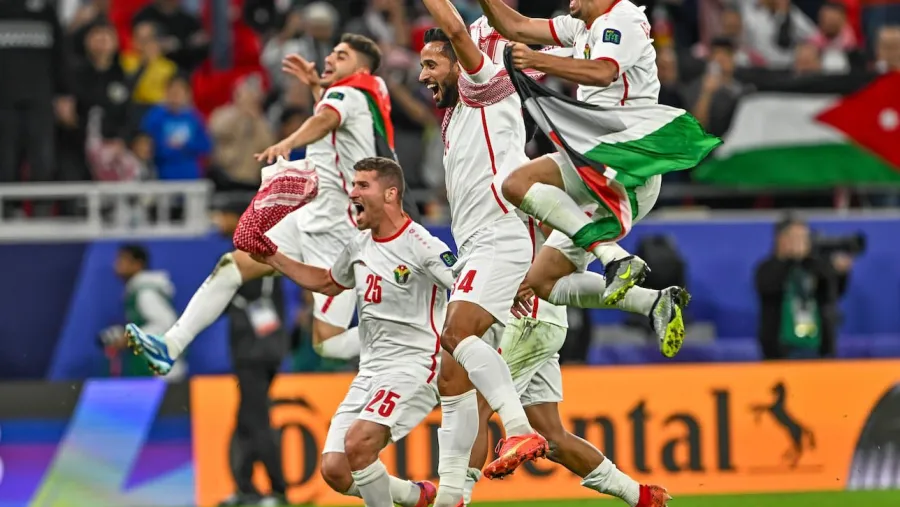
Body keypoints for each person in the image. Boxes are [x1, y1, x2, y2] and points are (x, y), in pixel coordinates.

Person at [452, 16, 674, 507]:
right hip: (541, 302)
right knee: (551, 433)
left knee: (471, 401)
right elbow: (514, 22)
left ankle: (455, 499)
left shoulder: (496, 143)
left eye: (435, 67)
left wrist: (520, 58)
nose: (430, 78)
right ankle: (642, 497)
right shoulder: (474, 148)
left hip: (528, 310)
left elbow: (595, 70)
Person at [126, 34, 393, 373]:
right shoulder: (352, 98)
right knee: (232, 266)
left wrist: (289, 141)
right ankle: (170, 344)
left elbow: (325, 120)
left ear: (362, 68)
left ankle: (410, 333)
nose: (330, 59)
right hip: (310, 217)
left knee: (329, 342)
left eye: (341, 56)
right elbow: (331, 123)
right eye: (333, 52)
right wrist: (316, 89)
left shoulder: (352, 93)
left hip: (337, 232)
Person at [254, 157, 443, 507]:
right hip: (369, 372)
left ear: (390, 194)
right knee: (336, 468)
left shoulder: (423, 245)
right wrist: (272, 257)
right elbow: (327, 282)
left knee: (359, 444)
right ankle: (414, 496)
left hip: (414, 367)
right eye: (352, 184)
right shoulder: (359, 245)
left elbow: (463, 289)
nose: (351, 192)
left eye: (361, 186)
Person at [416, 3, 550, 497]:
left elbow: (454, 25)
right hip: (478, 246)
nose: (423, 75)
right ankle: (453, 494)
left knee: (456, 334)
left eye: (431, 64)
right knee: (451, 379)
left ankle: (517, 428)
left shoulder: (481, 85)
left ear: (459, 61)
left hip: (497, 236)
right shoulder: (455, 116)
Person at [475, 0, 669, 310]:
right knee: (542, 281)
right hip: (593, 162)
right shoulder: (581, 25)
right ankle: (652, 300)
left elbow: (604, 71)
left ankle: (612, 256)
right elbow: (517, 26)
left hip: (627, 165)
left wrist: (536, 59)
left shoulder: (621, 18)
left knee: (518, 184)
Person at [209, 196, 289, 507]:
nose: (218, 221)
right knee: (245, 420)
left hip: (253, 354)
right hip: (262, 351)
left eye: (222, 215)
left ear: (236, 218)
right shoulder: (263, 251)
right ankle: (245, 489)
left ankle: (278, 490)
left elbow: (218, 302)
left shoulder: (247, 257)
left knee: (255, 420)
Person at [754, 216, 852, 360]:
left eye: (805, 237)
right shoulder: (767, 268)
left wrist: (841, 273)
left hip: (816, 347)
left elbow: (833, 293)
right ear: (781, 239)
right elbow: (769, 287)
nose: (802, 242)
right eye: (796, 237)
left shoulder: (814, 267)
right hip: (781, 349)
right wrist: (790, 259)